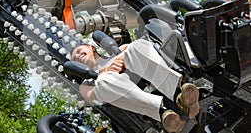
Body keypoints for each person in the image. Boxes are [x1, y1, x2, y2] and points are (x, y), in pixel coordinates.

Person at [71, 39, 199, 133]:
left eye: (78, 51)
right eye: (74, 59)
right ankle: (164, 114)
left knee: (137, 46)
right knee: (103, 82)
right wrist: (104, 73)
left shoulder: (118, 51)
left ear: (91, 47)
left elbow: (132, 47)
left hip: (156, 85)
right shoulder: (87, 84)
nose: (77, 56)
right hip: (137, 111)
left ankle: (180, 96)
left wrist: (119, 59)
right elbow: (93, 97)